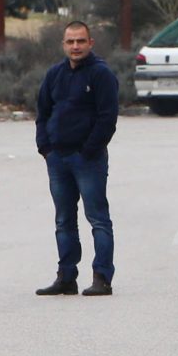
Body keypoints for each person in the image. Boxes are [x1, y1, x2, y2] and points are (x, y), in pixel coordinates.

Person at [34, 21, 119, 297]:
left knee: (98, 219)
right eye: (70, 41)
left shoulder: (101, 74)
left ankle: (102, 278)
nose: (75, 46)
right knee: (63, 221)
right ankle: (66, 277)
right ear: (63, 44)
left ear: (90, 43)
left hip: (88, 160)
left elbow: (107, 118)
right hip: (58, 159)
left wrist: (89, 150)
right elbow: (43, 112)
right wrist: (45, 148)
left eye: (81, 41)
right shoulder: (54, 74)